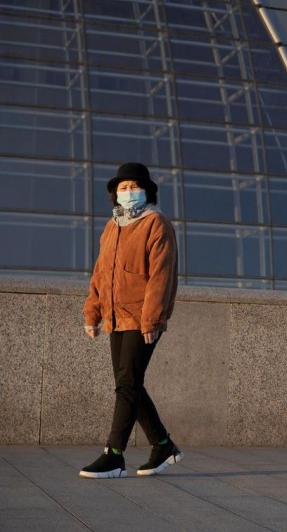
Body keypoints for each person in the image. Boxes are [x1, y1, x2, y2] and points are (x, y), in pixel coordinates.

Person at [80, 162, 183, 479]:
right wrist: (92, 312)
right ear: (115, 194)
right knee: (129, 384)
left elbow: (161, 277)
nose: (128, 192)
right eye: (122, 188)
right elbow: (101, 274)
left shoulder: (156, 224)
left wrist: (152, 320)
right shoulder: (113, 227)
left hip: (142, 319)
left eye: (134, 187)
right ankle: (163, 445)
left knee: (126, 384)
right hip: (115, 317)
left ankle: (114, 455)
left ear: (147, 191)